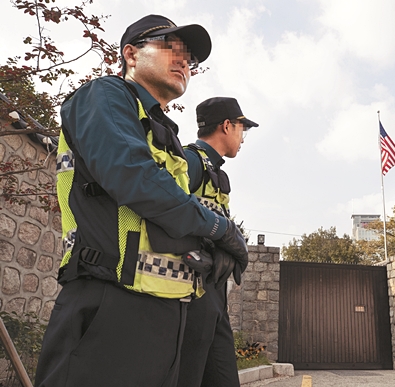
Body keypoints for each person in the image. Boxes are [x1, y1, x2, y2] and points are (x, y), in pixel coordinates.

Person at [35, 15, 248, 387]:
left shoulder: (163, 133)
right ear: (130, 55)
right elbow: (135, 179)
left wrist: (215, 250)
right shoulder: (104, 95)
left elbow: (173, 213)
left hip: (165, 314)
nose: (184, 61)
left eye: (190, 58)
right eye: (171, 47)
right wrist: (221, 229)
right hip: (109, 304)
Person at [178, 97, 259, 387]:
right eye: (242, 128)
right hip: (190, 294)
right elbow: (163, 208)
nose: (242, 137)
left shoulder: (215, 172)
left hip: (214, 296)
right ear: (227, 126)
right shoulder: (190, 161)